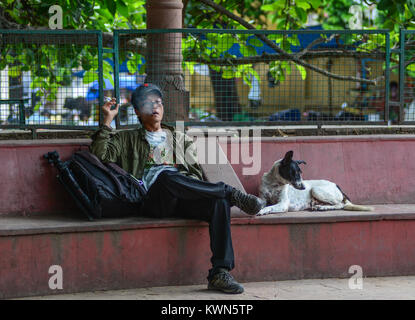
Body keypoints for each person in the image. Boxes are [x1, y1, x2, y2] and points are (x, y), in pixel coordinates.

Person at [90, 83, 266, 294]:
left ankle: (220, 272)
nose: (155, 106)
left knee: (218, 202)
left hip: (183, 198)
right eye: (148, 103)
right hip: (153, 201)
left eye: (158, 102)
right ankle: (230, 193)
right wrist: (107, 120)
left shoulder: (180, 139)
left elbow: (194, 175)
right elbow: (100, 155)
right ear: (137, 111)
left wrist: (185, 184)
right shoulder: (126, 138)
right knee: (166, 176)